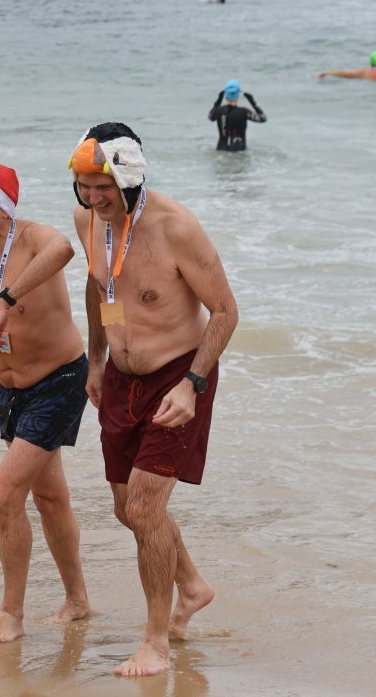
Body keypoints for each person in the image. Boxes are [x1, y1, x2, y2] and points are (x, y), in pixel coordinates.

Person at [65, 122, 239, 677]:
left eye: (104, 189)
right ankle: (191, 585)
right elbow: (100, 288)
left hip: (178, 378)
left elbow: (227, 312)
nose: (94, 200)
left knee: (143, 507)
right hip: (119, 376)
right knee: (128, 509)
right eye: (84, 187)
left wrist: (194, 385)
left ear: (131, 180)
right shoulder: (87, 219)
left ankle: (155, 641)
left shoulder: (176, 227)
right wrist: (95, 360)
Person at [0, 162, 91, 644]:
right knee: (50, 497)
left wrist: (7, 299)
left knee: (5, 493)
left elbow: (65, 248)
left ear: (5, 206)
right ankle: (77, 601)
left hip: (61, 379)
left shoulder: (33, 238)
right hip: (8, 389)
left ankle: (11, 614)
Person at [207, 79, 266, 152]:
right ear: (237, 96)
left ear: (226, 96)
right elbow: (263, 118)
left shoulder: (218, 111)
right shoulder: (244, 112)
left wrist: (218, 101)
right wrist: (253, 102)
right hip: (239, 152)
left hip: (221, 151)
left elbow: (210, 117)